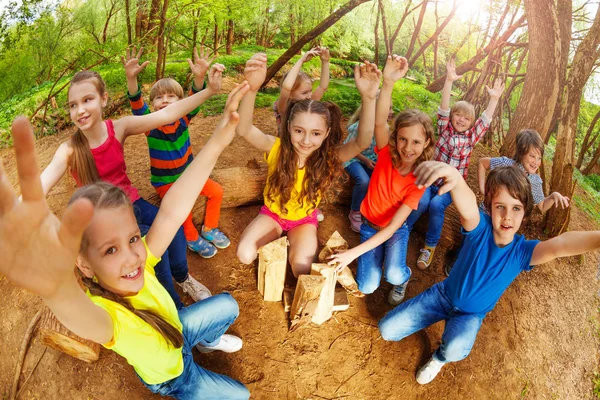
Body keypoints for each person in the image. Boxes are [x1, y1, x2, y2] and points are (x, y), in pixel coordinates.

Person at [0, 84, 252, 398]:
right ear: (84, 264)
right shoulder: (107, 319)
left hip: (179, 331)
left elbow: (173, 210)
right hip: (175, 378)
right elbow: (70, 305)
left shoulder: (140, 259)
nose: (132, 255)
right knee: (242, 396)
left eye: (133, 238)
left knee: (228, 304)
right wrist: (53, 286)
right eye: (110, 249)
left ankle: (204, 340)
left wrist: (218, 141)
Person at [378, 161, 600, 385]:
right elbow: (467, 206)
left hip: (470, 315)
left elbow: (560, 245)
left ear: (525, 213)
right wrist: (455, 177)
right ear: (490, 207)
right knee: (386, 329)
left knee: (456, 347)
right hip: (442, 296)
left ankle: (439, 358)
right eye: (500, 207)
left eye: (516, 208)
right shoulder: (479, 227)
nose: (507, 216)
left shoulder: (523, 252)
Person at [38, 66, 222, 308]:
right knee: (155, 249)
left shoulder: (119, 128)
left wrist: (209, 91)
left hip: (130, 202)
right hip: (104, 219)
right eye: (73, 105)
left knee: (174, 228)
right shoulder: (69, 150)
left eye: (87, 100)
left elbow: (166, 115)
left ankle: (183, 277)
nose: (80, 110)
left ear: (103, 99)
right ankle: (174, 305)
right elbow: (37, 188)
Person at [236, 53, 380, 277]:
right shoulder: (277, 148)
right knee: (244, 254)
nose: (305, 140)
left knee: (301, 270)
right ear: (289, 127)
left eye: (315, 133)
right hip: (272, 215)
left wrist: (369, 99)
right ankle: (278, 238)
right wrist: (252, 89)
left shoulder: (330, 157)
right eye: (299, 131)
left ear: (326, 134)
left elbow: (362, 141)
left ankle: (292, 243)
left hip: (303, 221)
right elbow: (244, 129)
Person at [328, 55, 435, 306]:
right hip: (368, 225)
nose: (408, 148)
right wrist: (387, 82)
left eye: (416, 142)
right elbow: (379, 121)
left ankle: (404, 278)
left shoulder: (419, 180)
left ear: (427, 143)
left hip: (395, 230)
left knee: (394, 274)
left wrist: (351, 254)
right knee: (367, 285)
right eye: (403, 139)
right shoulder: (386, 151)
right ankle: (376, 264)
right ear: (395, 138)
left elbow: (390, 229)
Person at [123, 46, 231, 258]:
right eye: (159, 97)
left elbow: (195, 97)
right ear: (153, 105)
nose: (164, 100)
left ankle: (209, 228)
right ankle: (191, 239)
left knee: (216, 191)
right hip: (166, 182)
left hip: (189, 175)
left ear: (180, 102)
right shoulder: (150, 125)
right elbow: (136, 103)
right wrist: (131, 79)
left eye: (171, 96)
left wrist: (199, 77)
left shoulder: (183, 118)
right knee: (184, 210)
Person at [406, 58, 504, 270]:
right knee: (421, 201)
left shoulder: (471, 138)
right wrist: (449, 80)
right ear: (452, 117)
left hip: (450, 186)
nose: (460, 119)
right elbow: (443, 107)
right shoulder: (444, 129)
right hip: (430, 179)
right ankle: (403, 228)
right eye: (458, 115)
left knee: (435, 205)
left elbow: (485, 120)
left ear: (471, 123)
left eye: (466, 118)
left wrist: (494, 99)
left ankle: (429, 246)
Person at [478, 129, 570, 213]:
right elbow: (482, 163)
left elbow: (542, 206)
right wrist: (483, 189)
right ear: (521, 153)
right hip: (486, 214)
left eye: (539, 158)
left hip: (506, 224)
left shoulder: (534, 181)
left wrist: (553, 196)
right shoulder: (506, 164)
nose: (536, 162)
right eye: (532, 156)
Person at [343, 95, 393, 233]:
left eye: (391, 107)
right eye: (387, 108)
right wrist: (365, 160)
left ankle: (370, 210)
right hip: (353, 158)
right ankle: (355, 212)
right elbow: (349, 148)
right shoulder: (360, 126)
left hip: (369, 160)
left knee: (380, 180)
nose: (391, 111)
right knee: (364, 181)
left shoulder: (385, 129)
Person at [273, 46, 330, 128]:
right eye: (304, 92)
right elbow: (286, 87)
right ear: (290, 93)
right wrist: (301, 60)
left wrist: (325, 61)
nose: (310, 95)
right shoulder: (283, 107)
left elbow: (322, 87)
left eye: (310, 90)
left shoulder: (307, 103)